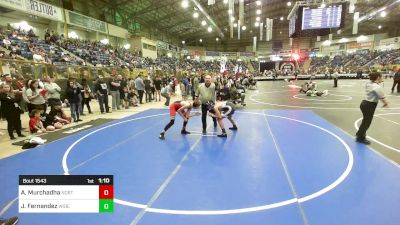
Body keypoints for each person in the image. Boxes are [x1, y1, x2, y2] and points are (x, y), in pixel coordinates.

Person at [356, 72, 389, 145]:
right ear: (378, 78)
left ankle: (360, 134)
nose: (383, 78)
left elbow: (374, 83)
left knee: (365, 121)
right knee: (366, 122)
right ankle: (360, 137)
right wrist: (386, 103)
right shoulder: (376, 87)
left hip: (364, 103)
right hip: (369, 105)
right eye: (382, 77)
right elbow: (382, 97)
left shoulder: (368, 83)